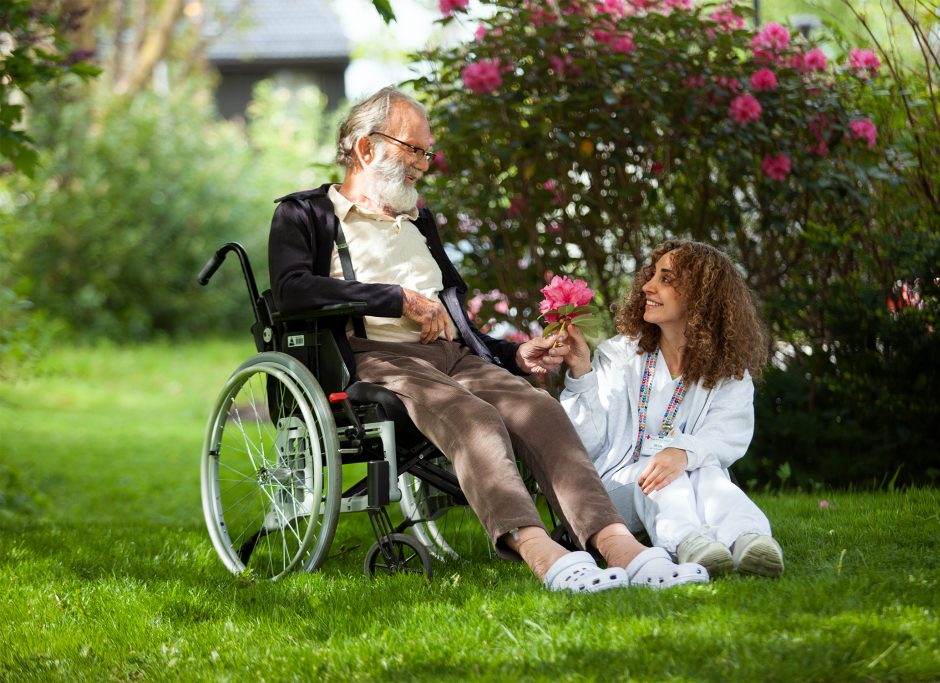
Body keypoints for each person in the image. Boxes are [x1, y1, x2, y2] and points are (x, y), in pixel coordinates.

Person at [267, 86, 708, 592]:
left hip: (452, 356)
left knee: (539, 406)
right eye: (413, 149)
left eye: (426, 153)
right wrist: (399, 300)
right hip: (376, 360)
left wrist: (514, 354)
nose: (424, 165)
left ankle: (618, 545)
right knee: (473, 418)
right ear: (366, 148)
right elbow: (292, 291)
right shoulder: (306, 215)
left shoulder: (419, 223)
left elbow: (457, 321)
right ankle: (540, 550)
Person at [560, 240, 784, 577]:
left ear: (701, 298)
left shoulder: (727, 370)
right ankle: (688, 542)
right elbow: (587, 444)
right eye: (652, 276)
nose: (648, 286)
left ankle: (750, 539)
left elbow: (727, 435)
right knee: (672, 468)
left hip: (688, 479)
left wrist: (681, 453)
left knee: (706, 471)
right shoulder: (620, 355)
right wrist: (581, 373)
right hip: (615, 490)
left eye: (666, 279)